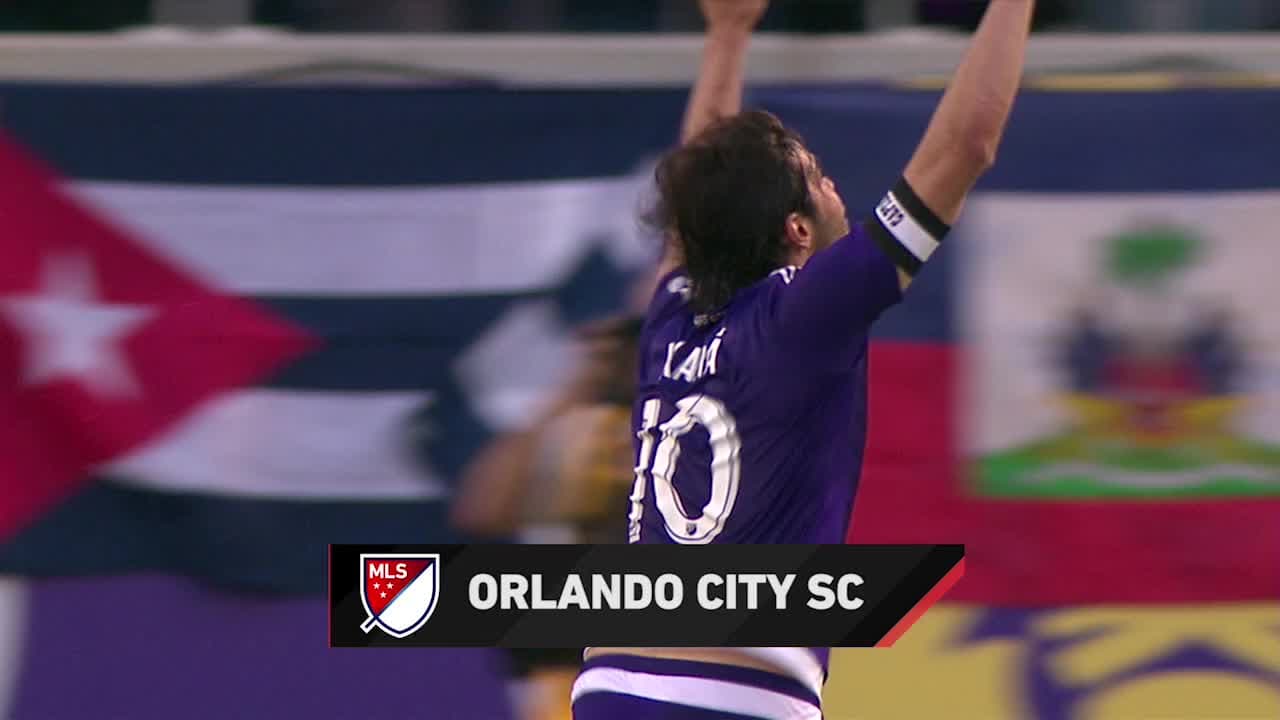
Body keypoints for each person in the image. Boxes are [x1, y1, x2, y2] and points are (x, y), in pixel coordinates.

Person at [571, 0, 1037, 718]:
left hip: (608, 684)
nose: (833, 187)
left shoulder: (672, 314)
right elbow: (966, 145)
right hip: (737, 695)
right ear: (796, 230)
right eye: (817, 176)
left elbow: (693, 201)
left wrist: (727, 34)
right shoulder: (806, 313)